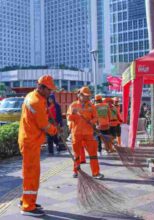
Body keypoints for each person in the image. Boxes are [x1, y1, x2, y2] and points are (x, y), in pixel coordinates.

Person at [18, 75, 58, 216]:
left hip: (28, 138)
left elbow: (39, 116)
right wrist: (55, 130)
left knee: (28, 172)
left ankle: (26, 200)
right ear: (41, 87)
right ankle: (28, 206)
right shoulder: (36, 101)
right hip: (30, 141)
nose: (50, 93)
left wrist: (46, 106)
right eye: (49, 90)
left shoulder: (32, 96)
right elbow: (44, 125)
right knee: (32, 174)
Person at [67, 87, 104, 179]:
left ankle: (96, 173)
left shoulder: (92, 106)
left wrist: (92, 121)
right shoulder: (73, 105)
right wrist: (73, 113)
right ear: (80, 95)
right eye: (85, 96)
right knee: (76, 154)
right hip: (76, 133)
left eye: (88, 96)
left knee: (93, 154)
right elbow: (69, 118)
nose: (87, 98)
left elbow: (96, 117)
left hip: (88, 133)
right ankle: (76, 171)